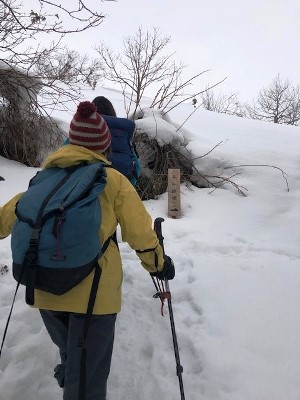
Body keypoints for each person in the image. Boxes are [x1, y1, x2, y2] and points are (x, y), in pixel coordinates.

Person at [0, 101, 175, 400]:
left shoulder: (42, 180)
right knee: (88, 382)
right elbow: (139, 234)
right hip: (94, 297)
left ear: (70, 142)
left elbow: (6, 219)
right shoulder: (114, 181)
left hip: (43, 286)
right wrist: (159, 264)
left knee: (70, 349)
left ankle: (69, 371)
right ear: (104, 146)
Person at [92, 96, 141, 186]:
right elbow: (137, 167)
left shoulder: (84, 130)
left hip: (93, 184)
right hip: (123, 183)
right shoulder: (124, 132)